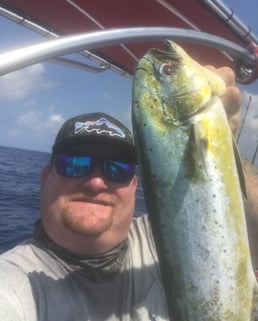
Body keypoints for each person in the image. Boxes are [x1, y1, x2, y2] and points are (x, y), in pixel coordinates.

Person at [0, 66, 257, 321]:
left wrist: (220, 151)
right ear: (45, 178)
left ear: (134, 185)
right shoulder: (13, 283)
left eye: (117, 168)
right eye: (75, 163)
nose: (96, 182)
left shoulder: (168, 232)